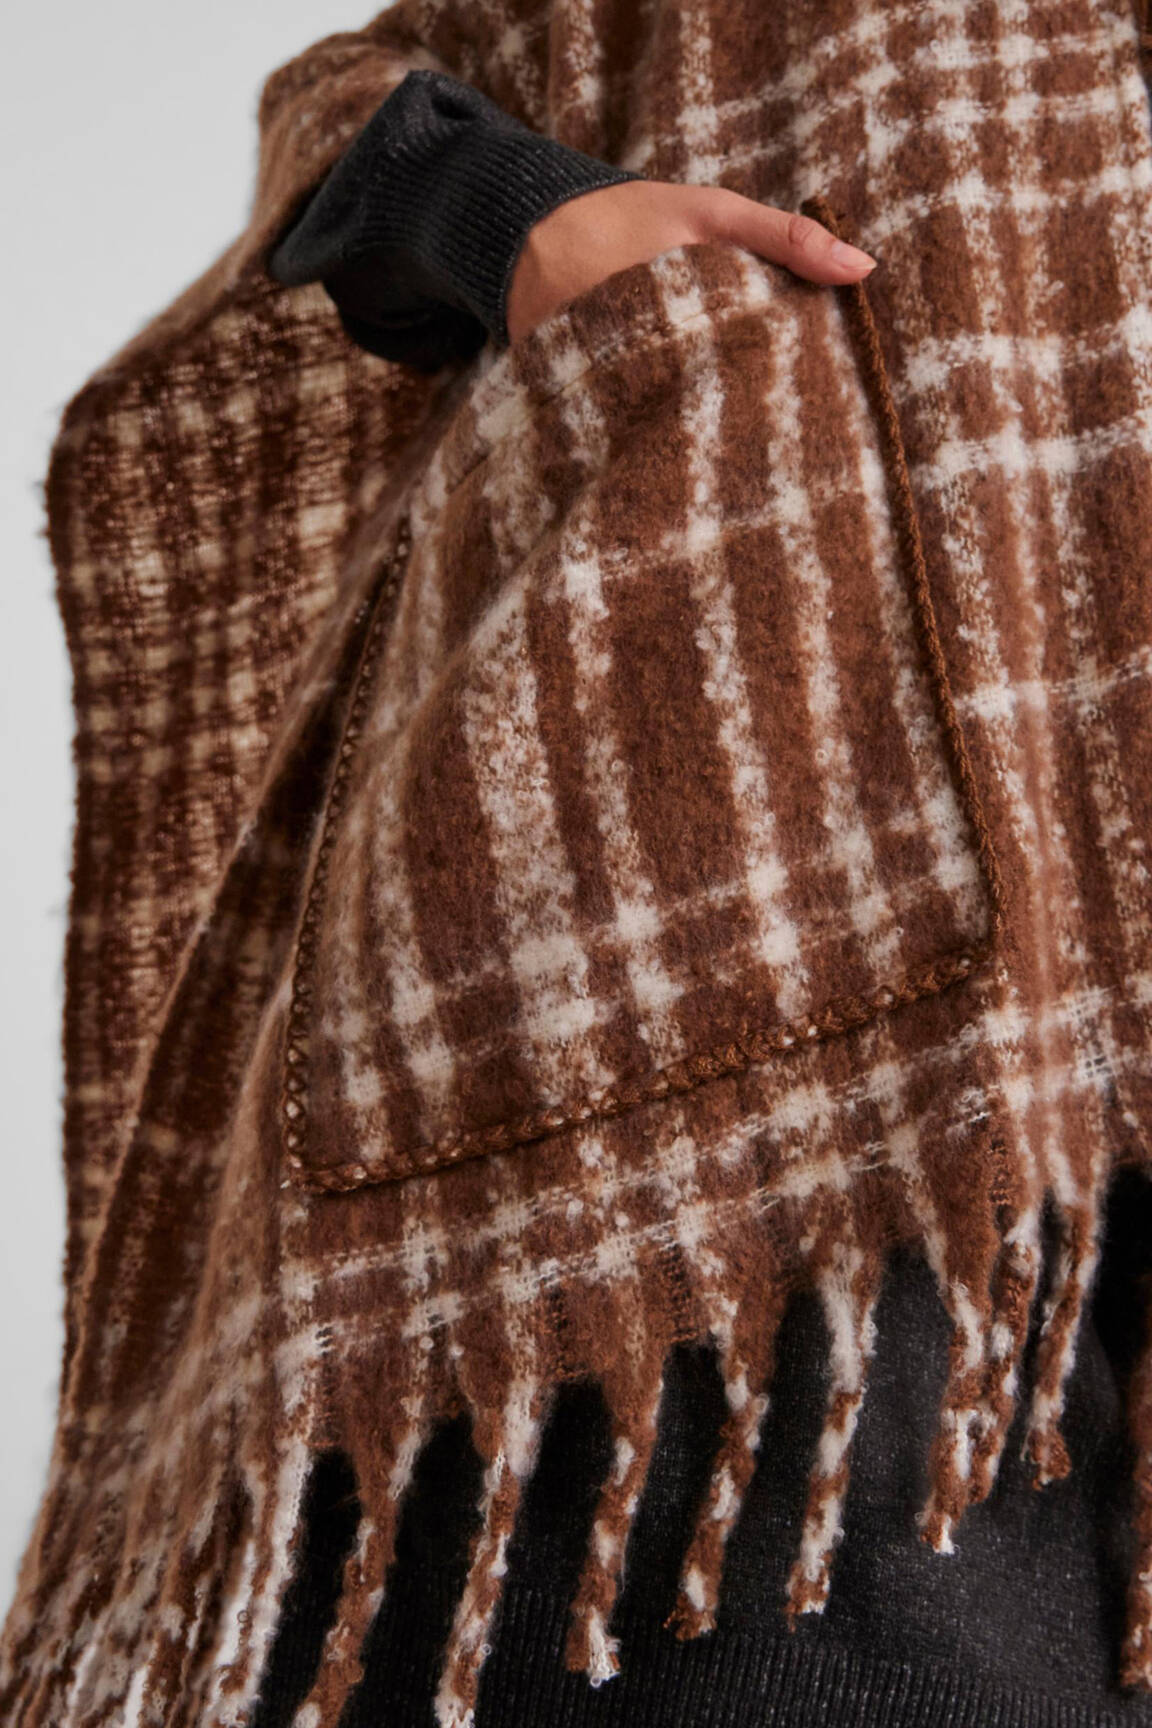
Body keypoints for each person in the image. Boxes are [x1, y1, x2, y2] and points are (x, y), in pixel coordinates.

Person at [4, 7, 1152, 1728]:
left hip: (1098, 899)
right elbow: (364, 107)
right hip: (679, 869)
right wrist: (515, 214)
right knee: (718, 1598)